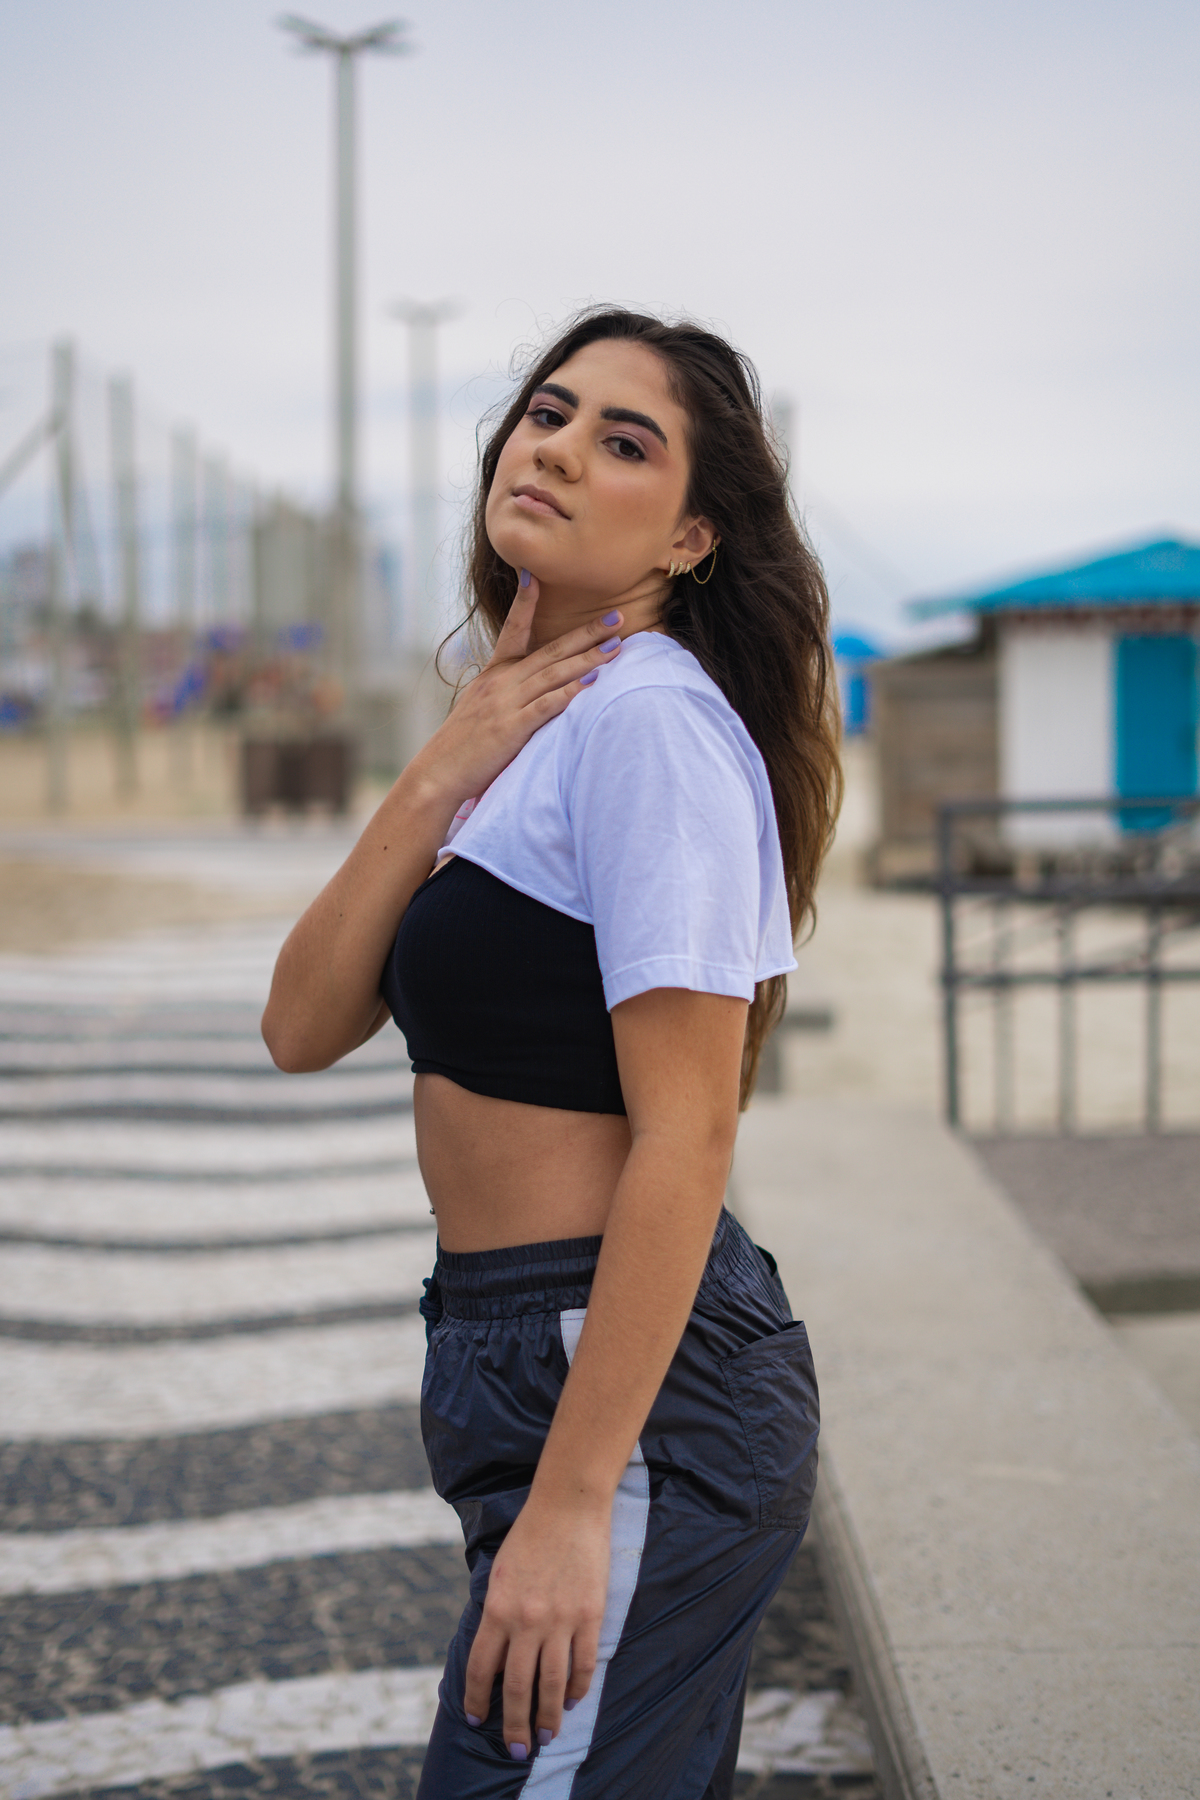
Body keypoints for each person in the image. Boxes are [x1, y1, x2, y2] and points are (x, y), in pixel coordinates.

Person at [262, 307, 841, 1798]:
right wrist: (446, 761)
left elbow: (690, 1134)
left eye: (624, 441)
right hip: (519, 1348)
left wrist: (581, 1497)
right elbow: (302, 1023)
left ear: (696, 536)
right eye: (549, 413)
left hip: (626, 1385)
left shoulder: (653, 725)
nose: (561, 448)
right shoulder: (536, 726)